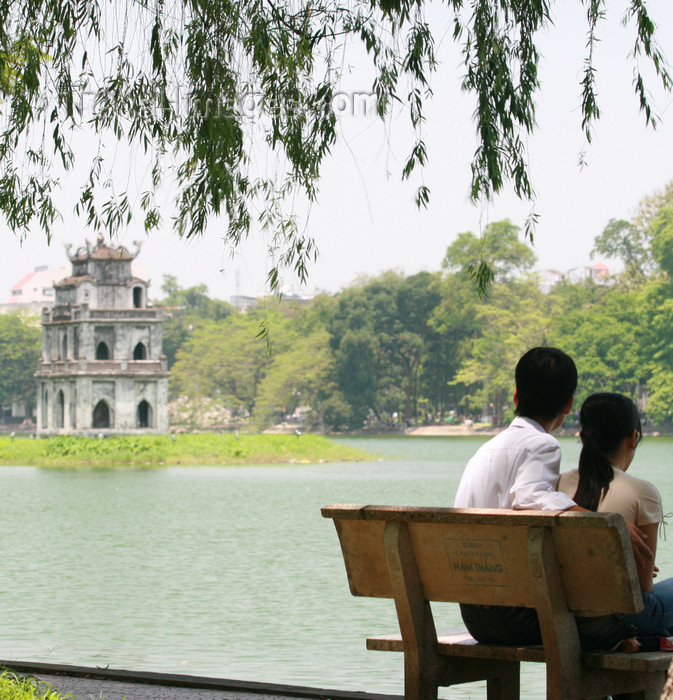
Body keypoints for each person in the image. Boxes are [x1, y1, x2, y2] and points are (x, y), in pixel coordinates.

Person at [453, 346, 581, 644]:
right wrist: (592, 516)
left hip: (474, 616)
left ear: (515, 396)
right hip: (519, 617)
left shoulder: (484, 451)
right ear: (569, 404)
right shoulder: (542, 444)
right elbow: (530, 497)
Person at [557, 392, 673, 651]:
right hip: (614, 619)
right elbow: (643, 588)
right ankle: (645, 642)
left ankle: (643, 642)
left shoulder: (558, 485)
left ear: (582, 436)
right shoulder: (641, 492)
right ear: (633, 437)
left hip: (565, 618)